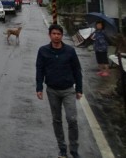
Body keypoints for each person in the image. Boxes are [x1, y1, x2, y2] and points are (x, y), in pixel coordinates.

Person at [36, 24, 83, 158]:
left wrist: (79, 89)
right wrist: (39, 88)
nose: (56, 36)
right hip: (52, 91)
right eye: (54, 34)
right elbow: (39, 70)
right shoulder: (43, 51)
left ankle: (74, 149)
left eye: (59, 34)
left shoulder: (69, 51)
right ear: (50, 35)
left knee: (72, 119)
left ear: (62, 36)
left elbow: (77, 70)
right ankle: (62, 148)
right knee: (57, 120)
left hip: (68, 90)